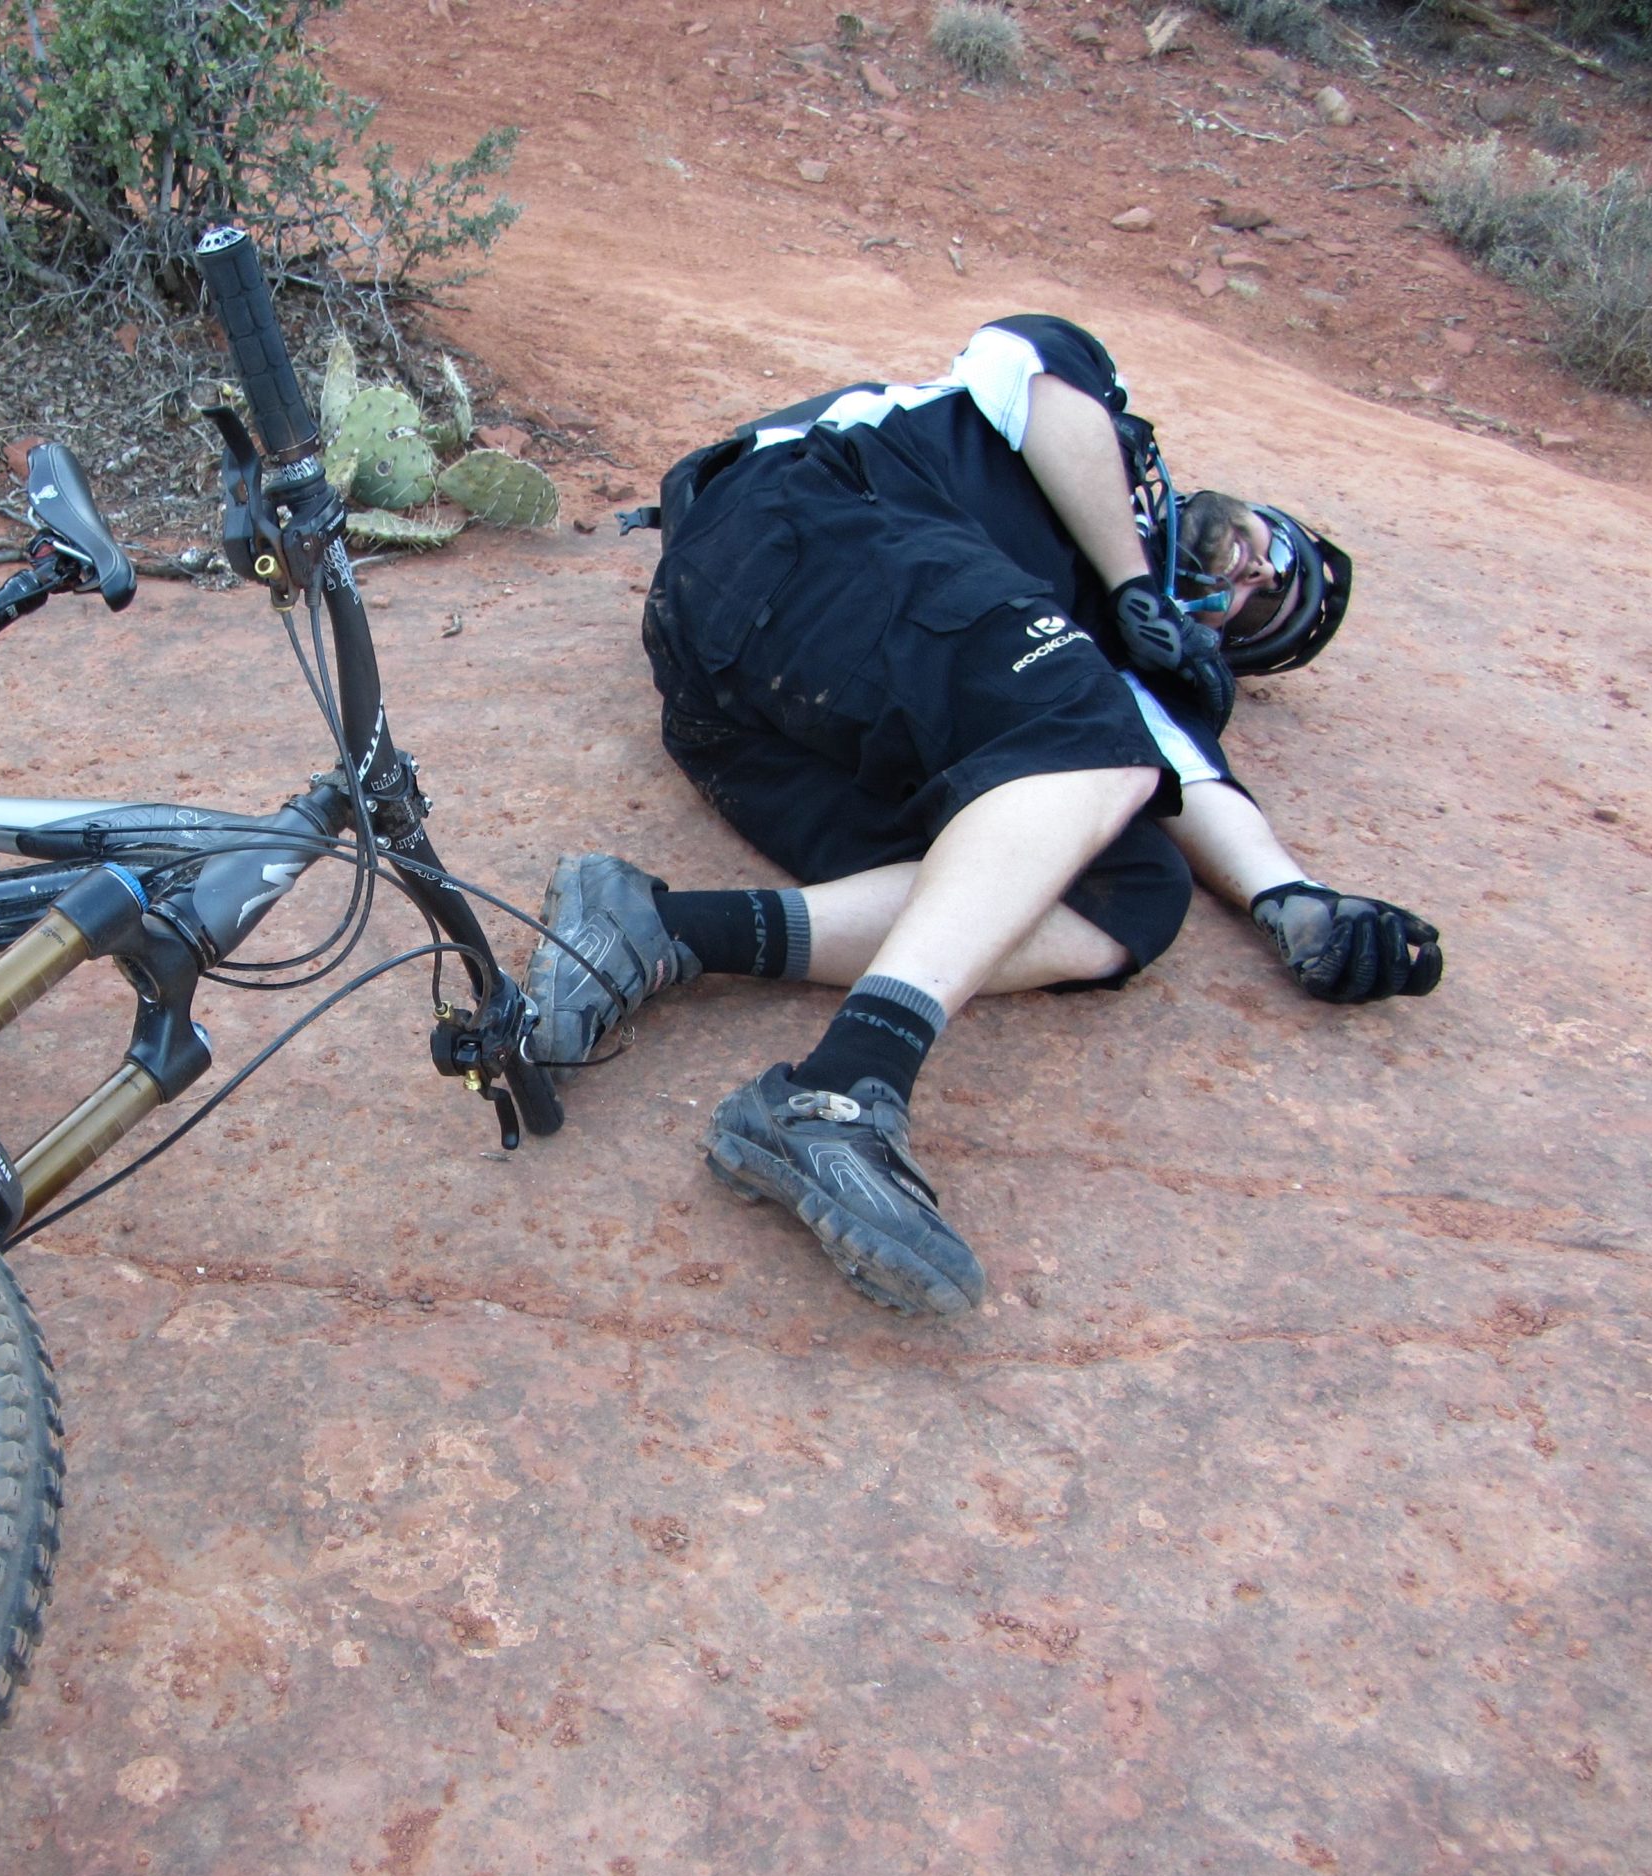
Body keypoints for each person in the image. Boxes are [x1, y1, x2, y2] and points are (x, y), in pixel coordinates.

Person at [525, 315, 1442, 1318]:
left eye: (1257, 612)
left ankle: (652, 926)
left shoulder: (1102, 660)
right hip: (804, 528)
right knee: (1086, 722)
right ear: (1250, 510)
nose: (1254, 576)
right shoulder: (1108, 448)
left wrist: (1294, 901)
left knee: (1130, 892)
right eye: (1275, 554)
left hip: (756, 712)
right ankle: (838, 1091)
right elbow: (1023, 365)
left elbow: (1178, 774)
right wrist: (1132, 579)